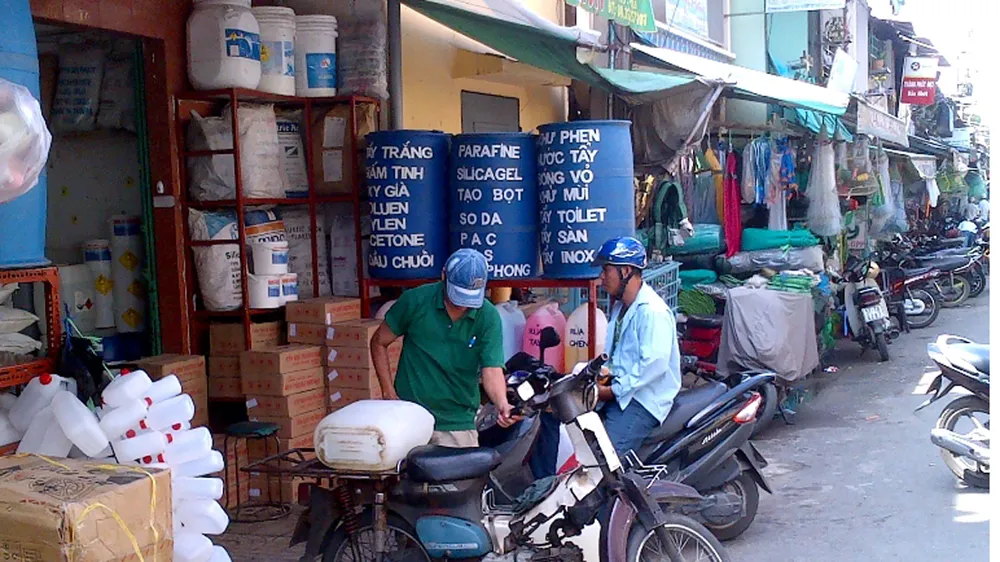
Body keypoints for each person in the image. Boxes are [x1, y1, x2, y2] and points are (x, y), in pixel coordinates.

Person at [369, 248, 517, 448]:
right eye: (458, 296)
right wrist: (388, 391)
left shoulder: (488, 316)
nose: (463, 306)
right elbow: (378, 342)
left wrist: (502, 404)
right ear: (443, 276)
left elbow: (492, 369)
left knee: (462, 477)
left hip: (457, 421)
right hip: (409, 417)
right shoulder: (416, 301)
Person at [592, 236, 682, 457]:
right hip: (623, 394)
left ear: (625, 271)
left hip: (642, 401)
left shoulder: (652, 312)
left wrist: (613, 390)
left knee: (603, 463)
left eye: (607, 270)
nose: (601, 277)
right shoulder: (621, 307)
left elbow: (653, 365)